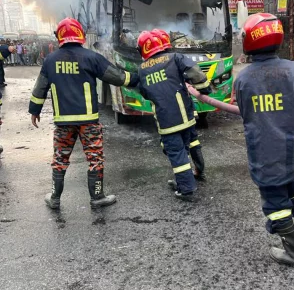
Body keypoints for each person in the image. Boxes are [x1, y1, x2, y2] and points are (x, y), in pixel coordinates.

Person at [234, 13, 294, 267]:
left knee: (276, 204)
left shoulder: (243, 80)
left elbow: (247, 117)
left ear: (250, 41)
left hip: (266, 158)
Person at [29, 18, 138, 209]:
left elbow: (40, 90)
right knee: (95, 158)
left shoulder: (50, 60)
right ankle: (97, 197)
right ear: (81, 35)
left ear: (59, 36)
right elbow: (118, 78)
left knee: (60, 159)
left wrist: (34, 111)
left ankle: (55, 198)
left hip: (63, 122)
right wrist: (138, 77)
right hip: (88, 121)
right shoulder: (91, 57)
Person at [136, 30, 211, 200]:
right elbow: (196, 73)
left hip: (166, 122)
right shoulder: (175, 57)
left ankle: (186, 189)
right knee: (185, 148)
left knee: (176, 153)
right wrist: (204, 89)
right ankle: (189, 177)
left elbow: (145, 93)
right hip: (186, 117)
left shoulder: (141, 70)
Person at [152, 28, 207, 181]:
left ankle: (185, 181)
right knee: (193, 139)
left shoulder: (160, 64)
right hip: (187, 110)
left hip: (173, 115)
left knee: (176, 147)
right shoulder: (175, 59)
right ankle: (199, 170)